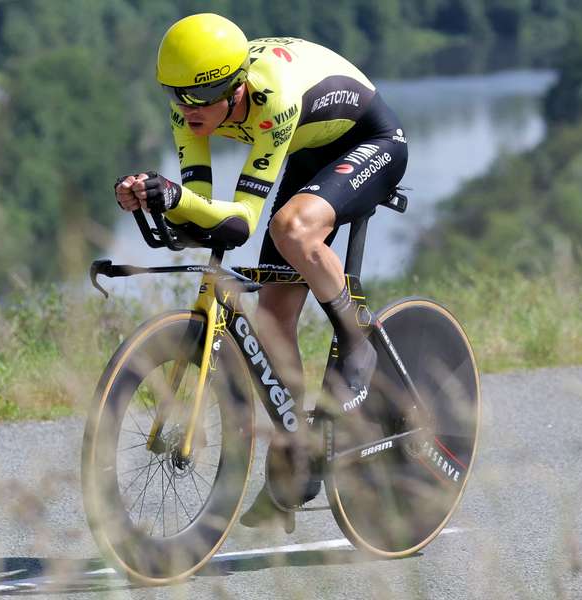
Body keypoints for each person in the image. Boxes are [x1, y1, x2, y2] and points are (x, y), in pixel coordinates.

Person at [114, 13, 408, 528]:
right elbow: (203, 209)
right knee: (272, 316)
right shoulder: (192, 107)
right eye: (176, 97)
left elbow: (242, 223)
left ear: (236, 88)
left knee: (292, 228)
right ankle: (296, 457)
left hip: (371, 141)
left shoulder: (272, 99)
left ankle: (357, 340)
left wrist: (178, 198)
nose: (187, 110)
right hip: (308, 148)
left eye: (200, 100)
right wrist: (155, 196)